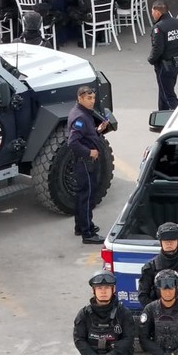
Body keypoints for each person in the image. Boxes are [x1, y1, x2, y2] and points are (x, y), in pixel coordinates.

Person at [66, 86, 108, 244]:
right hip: (84, 163)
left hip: (84, 163)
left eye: (93, 98)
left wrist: (98, 131)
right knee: (87, 197)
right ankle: (87, 233)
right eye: (88, 98)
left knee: (82, 196)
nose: (92, 101)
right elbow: (73, 142)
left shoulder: (84, 114)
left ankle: (81, 226)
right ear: (80, 98)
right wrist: (89, 152)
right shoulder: (80, 117)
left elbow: (86, 135)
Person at [137, 222, 178, 309]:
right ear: (160, 242)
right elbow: (143, 295)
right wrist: (155, 311)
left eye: (172, 240)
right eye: (165, 241)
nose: (169, 244)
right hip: (157, 314)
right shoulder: (150, 266)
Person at [148, 0, 178, 112]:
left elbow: (158, 48)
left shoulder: (159, 27)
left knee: (168, 96)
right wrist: (174, 52)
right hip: (176, 63)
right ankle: (162, 116)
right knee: (163, 91)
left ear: (157, 13)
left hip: (164, 66)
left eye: (152, 11)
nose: (152, 14)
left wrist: (151, 59)